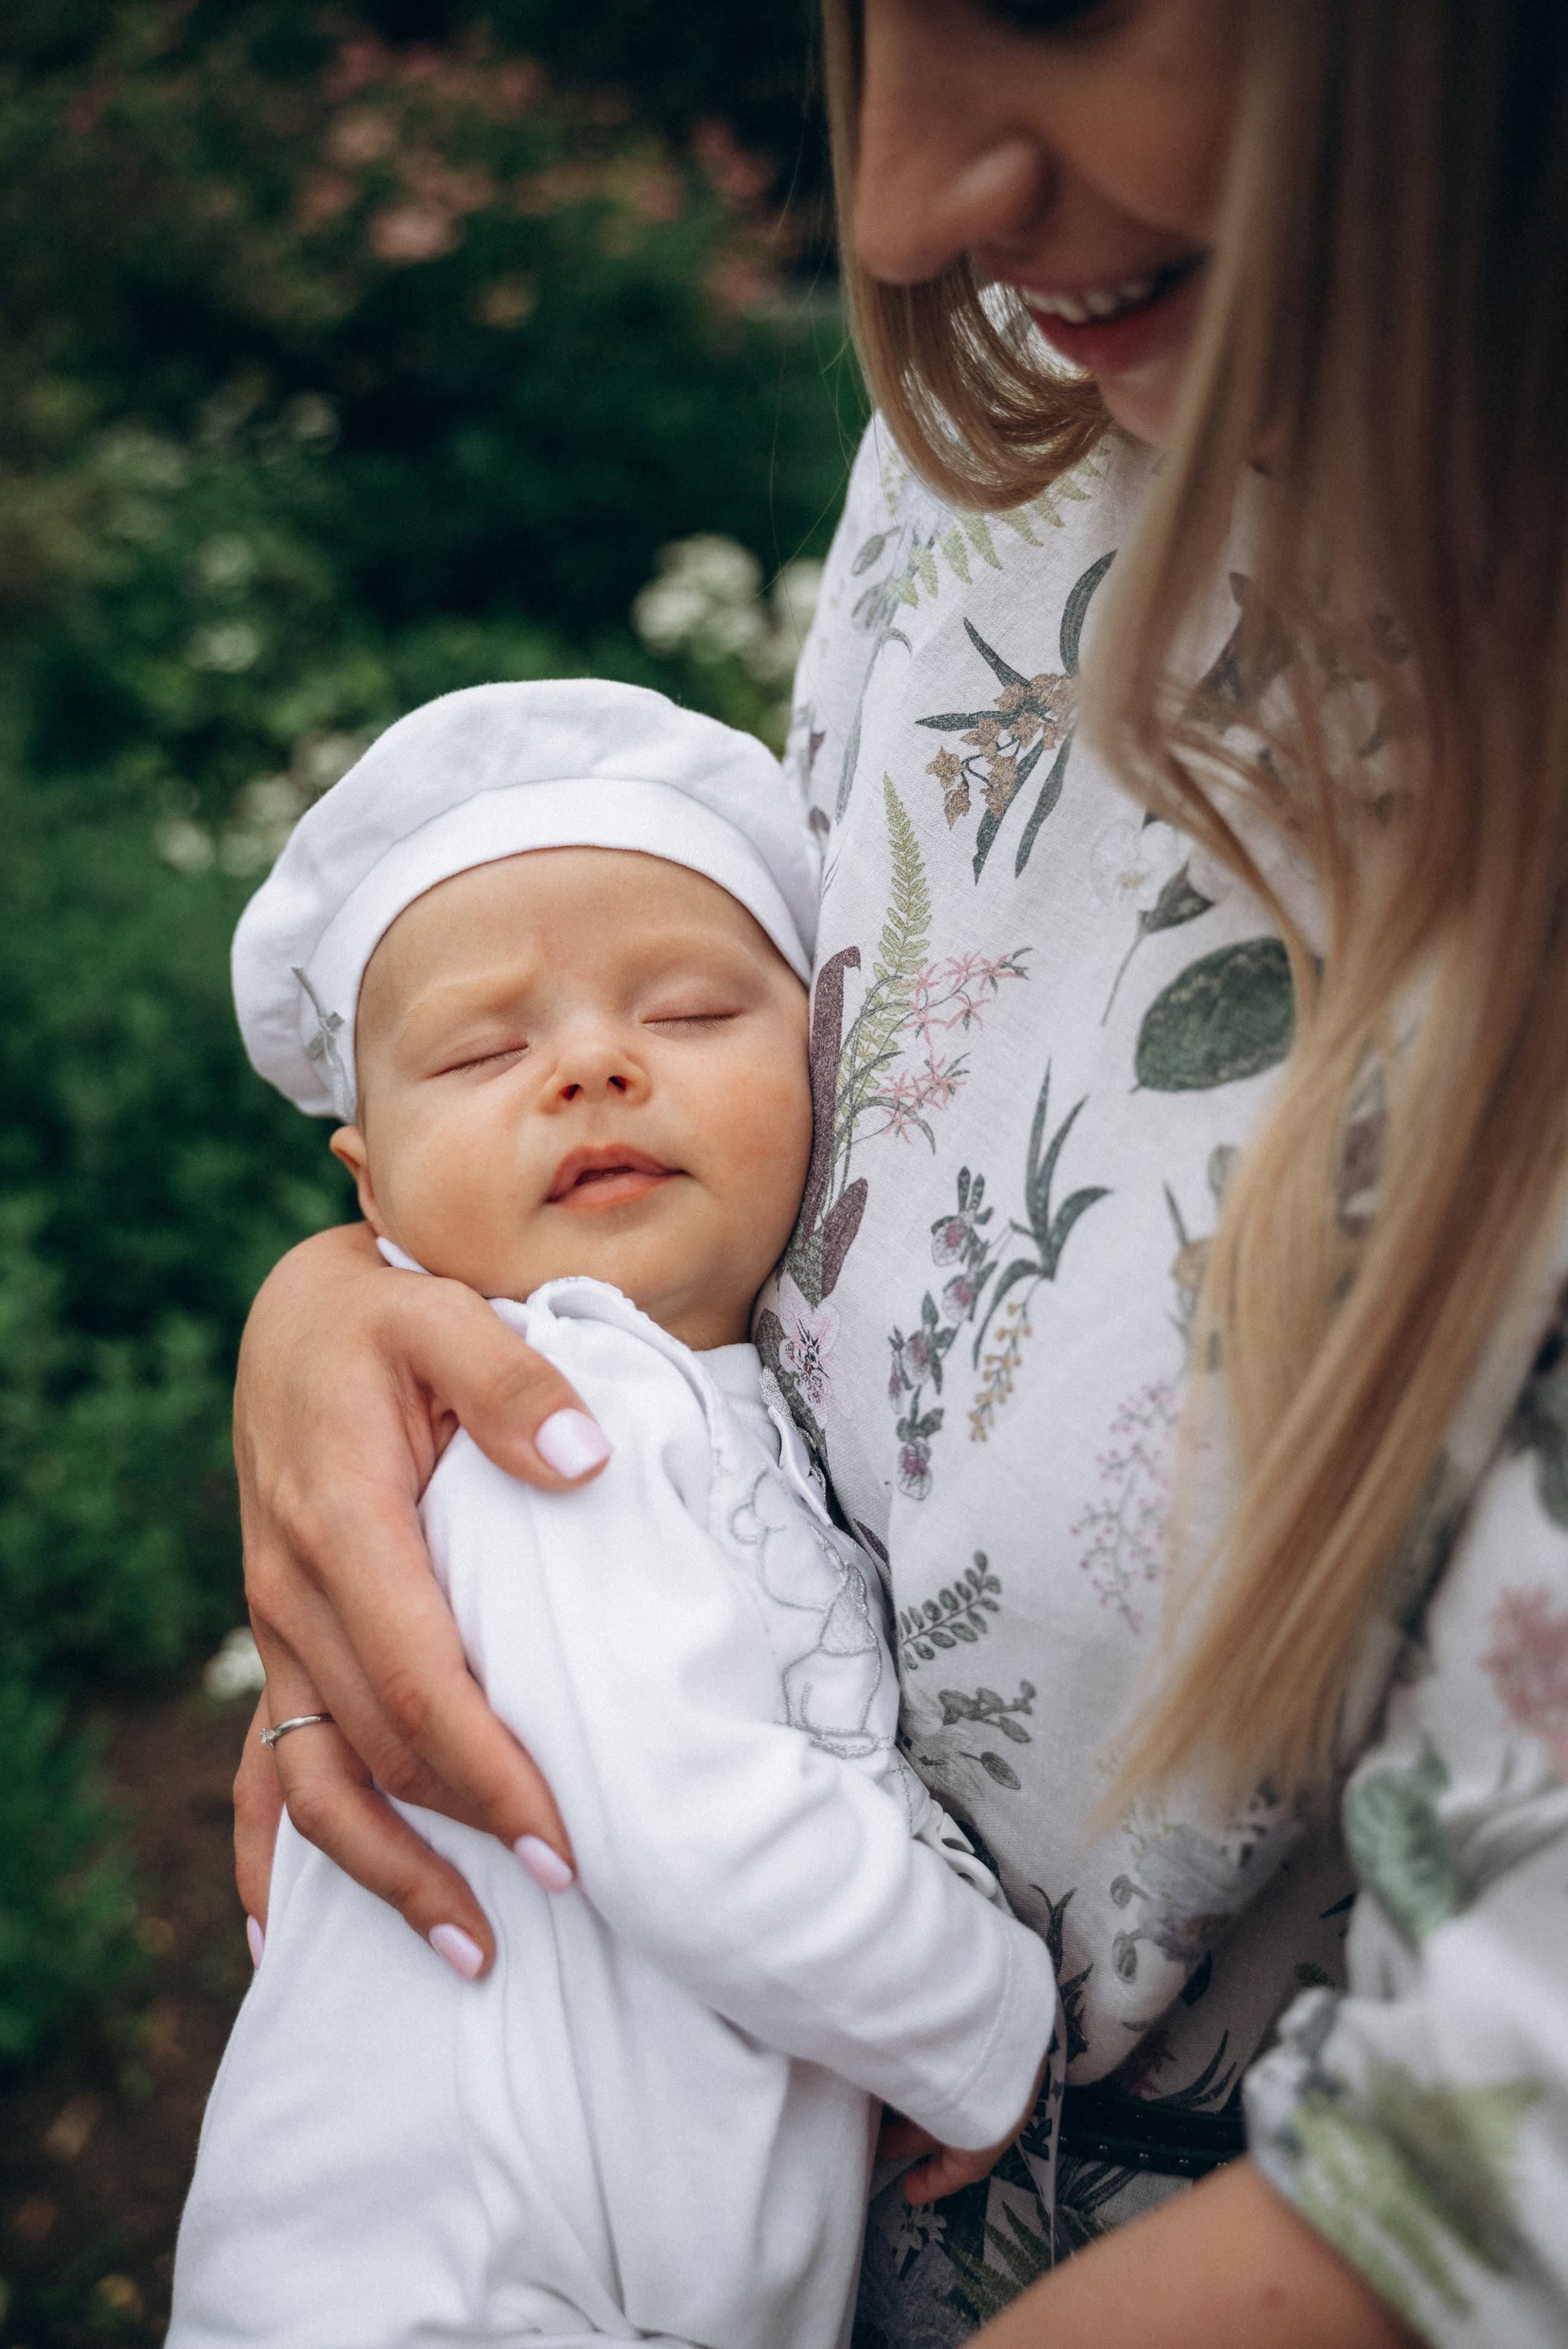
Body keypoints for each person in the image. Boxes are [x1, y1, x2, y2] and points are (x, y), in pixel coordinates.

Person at [228, 4, 1568, 2345]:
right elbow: (770, 1064)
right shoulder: (1024, 435)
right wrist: (359, 1314)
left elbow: (1485, 2171)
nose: (899, 198)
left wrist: (969, 2026)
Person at [169, 681, 1058, 2349]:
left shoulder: (695, 1404)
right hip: (480, 2291)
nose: (592, 1061)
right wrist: (983, 2018)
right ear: (369, 1187)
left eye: (696, 1013)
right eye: (489, 1049)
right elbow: (693, 1820)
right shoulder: (571, 1415)